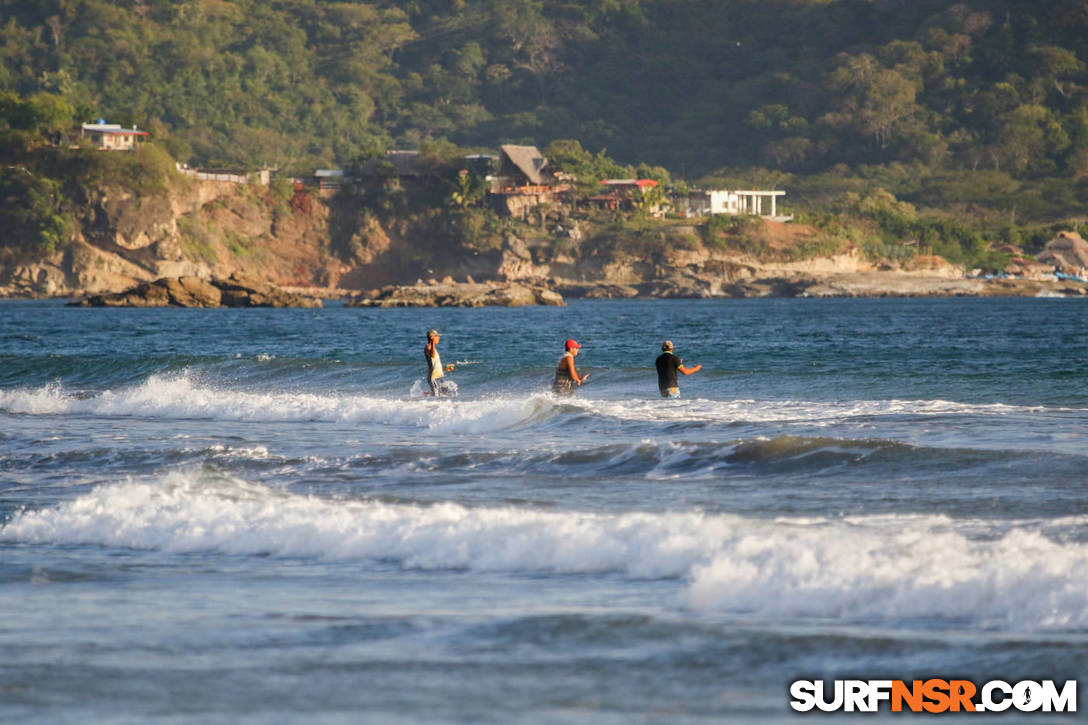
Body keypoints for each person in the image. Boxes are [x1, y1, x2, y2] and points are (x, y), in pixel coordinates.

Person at [424, 329, 455, 396]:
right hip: (433, 378)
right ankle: (426, 399)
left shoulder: (433, 349)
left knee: (447, 393)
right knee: (436, 396)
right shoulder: (428, 348)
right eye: (437, 336)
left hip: (438, 377)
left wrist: (445, 368)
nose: (439, 338)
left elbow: (434, 366)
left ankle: (426, 395)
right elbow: (432, 354)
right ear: (432, 337)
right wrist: (432, 342)